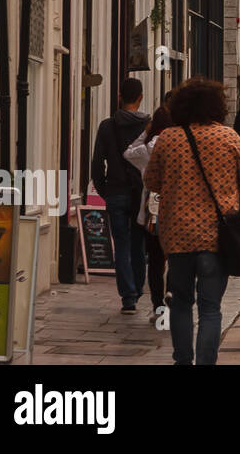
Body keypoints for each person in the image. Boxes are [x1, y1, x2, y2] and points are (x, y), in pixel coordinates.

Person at [144, 77, 240, 366]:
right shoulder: (229, 137)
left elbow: (151, 180)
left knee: (180, 303)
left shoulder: (169, 138)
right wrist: (227, 190)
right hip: (215, 237)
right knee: (210, 308)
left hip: (178, 236)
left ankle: (182, 360)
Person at [91, 77, 151, 312]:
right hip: (140, 193)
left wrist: (104, 189)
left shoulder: (107, 126)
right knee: (139, 243)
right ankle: (137, 288)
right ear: (141, 98)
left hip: (116, 191)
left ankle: (128, 297)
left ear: (119, 97)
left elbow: (97, 162)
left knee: (122, 244)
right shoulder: (148, 126)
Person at [124, 98, 173, 313]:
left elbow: (128, 153)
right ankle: (171, 291)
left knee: (154, 259)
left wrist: (146, 134)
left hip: (152, 209)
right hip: (175, 208)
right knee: (174, 255)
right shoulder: (177, 145)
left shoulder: (147, 149)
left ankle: (157, 304)